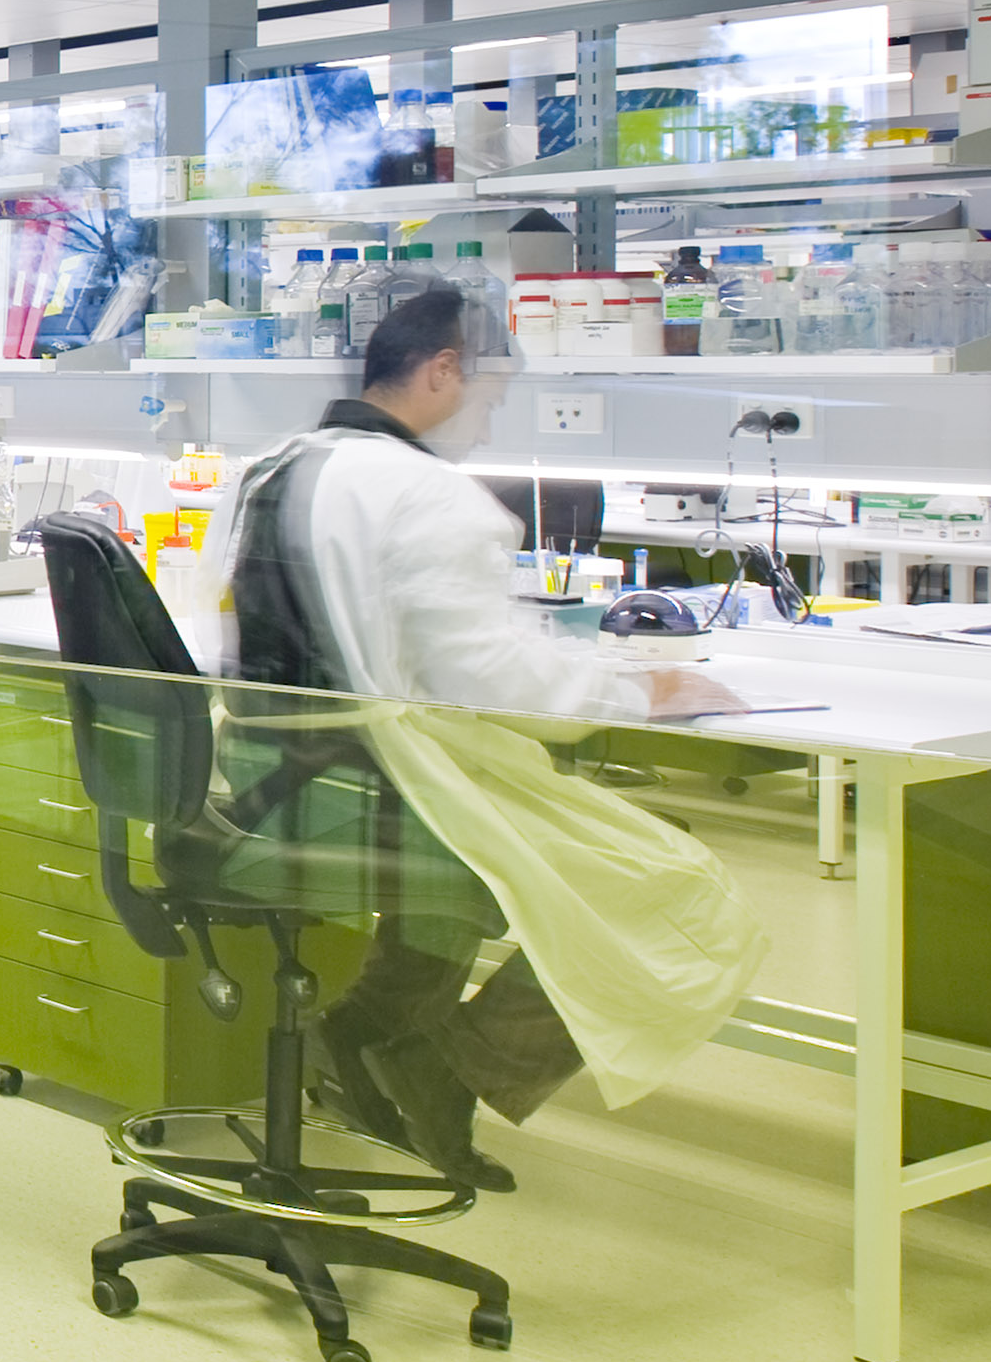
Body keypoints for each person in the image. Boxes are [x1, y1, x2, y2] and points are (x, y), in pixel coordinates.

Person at [201, 282, 766, 1188]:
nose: (489, 421)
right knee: (674, 882)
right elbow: (494, 677)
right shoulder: (430, 494)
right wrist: (641, 687)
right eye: (492, 396)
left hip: (274, 778)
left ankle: (366, 1040)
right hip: (366, 785)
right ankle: (450, 1064)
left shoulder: (272, 464)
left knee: (471, 868)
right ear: (443, 372)